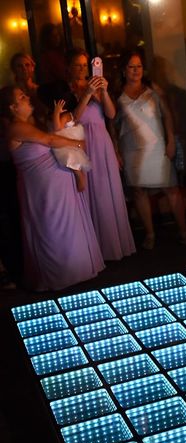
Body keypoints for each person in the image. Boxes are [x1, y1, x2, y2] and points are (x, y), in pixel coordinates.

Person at [0, 86, 104, 291]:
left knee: (66, 229)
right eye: (22, 97)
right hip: (43, 192)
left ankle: (76, 272)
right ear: (13, 107)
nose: (27, 98)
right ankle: (58, 277)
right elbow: (49, 140)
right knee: (50, 230)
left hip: (56, 188)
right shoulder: (15, 128)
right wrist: (77, 143)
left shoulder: (30, 123)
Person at [62, 49, 136, 260]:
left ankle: (113, 246)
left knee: (106, 190)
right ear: (69, 68)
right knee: (89, 192)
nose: (82, 69)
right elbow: (71, 121)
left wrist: (102, 92)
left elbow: (111, 114)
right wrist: (85, 95)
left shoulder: (96, 87)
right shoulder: (66, 92)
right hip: (81, 143)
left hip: (102, 144)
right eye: (78, 65)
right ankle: (95, 249)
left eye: (85, 65)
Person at [116, 50, 186, 250]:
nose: (136, 70)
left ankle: (184, 231)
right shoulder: (116, 94)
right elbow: (112, 125)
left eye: (139, 66)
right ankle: (150, 234)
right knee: (139, 191)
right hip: (131, 149)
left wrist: (170, 141)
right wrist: (116, 151)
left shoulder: (153, 89)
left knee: (171, 189)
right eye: (131, 67)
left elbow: (168, 115)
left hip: (157, 146)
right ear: (124, 70)